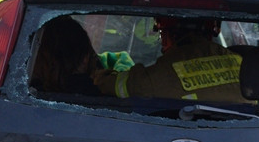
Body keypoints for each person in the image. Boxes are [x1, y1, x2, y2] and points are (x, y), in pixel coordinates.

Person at [92, 17, 246, 101]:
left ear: (166, 35)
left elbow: (117, 86)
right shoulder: (241, 65)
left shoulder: (158, 77)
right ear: (214, 30)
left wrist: (101, 76)